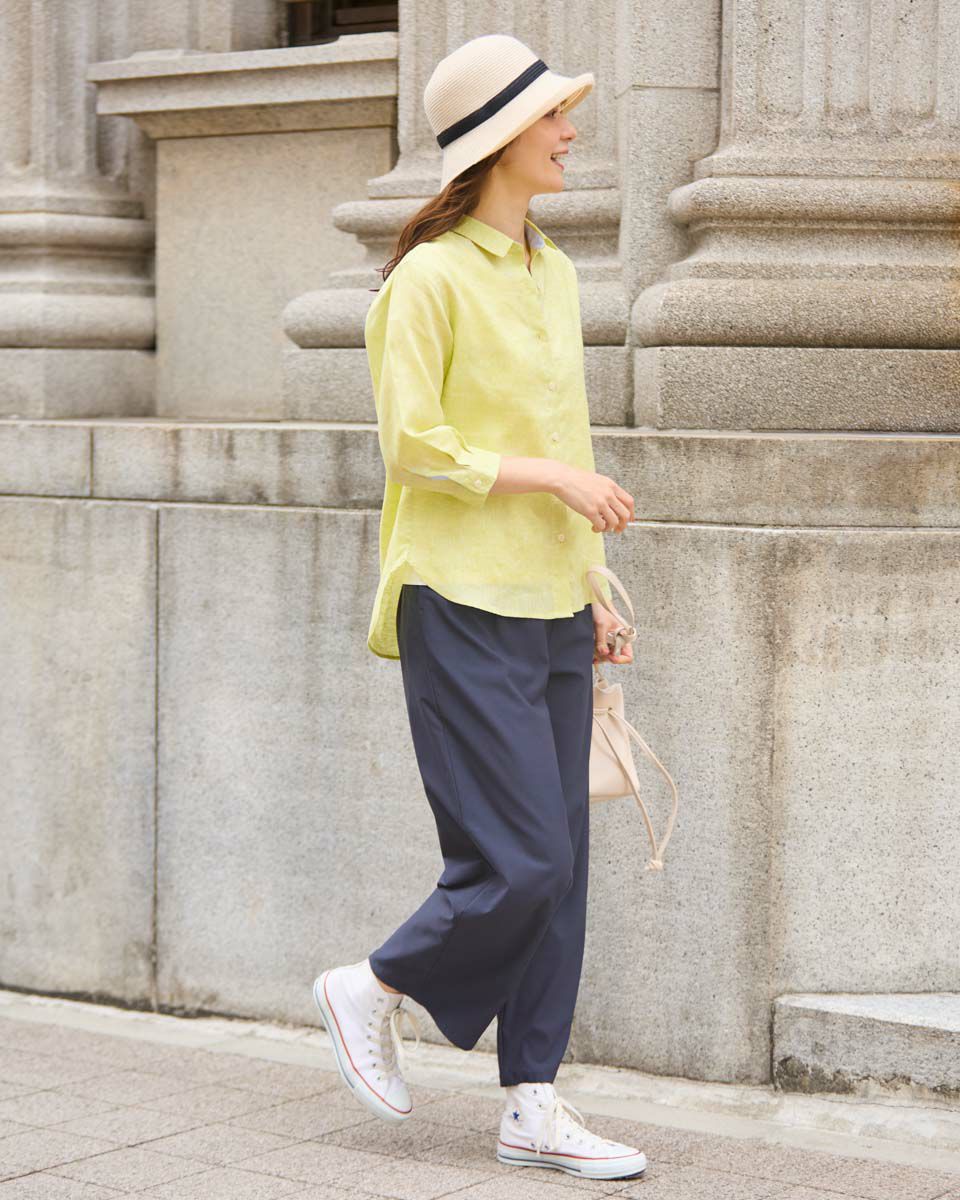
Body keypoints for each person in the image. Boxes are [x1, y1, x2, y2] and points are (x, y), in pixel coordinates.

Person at [313, 33, 646, 1182]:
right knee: (522, 861)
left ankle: (531, 1104)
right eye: (552, 117)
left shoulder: (556, 274)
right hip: (456, 600)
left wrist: (592, 589)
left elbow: (568, 436)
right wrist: (553, 481)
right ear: (501, 139)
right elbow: (414, 445)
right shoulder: (427, 280)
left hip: (551, 601)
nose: (569, 132)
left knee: (565, 870)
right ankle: (375, 984)